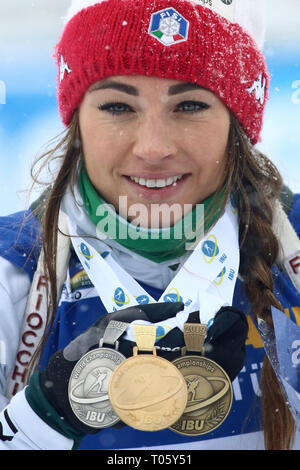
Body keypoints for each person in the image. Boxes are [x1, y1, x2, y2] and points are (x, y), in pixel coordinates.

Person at [0, 0, 299, 451]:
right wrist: (42, 416)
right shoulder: (11, 272)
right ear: (77, 121)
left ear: (237, 124)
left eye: (190, 105)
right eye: (119, 107)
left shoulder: (290, 253)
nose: (153, 147)